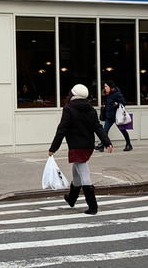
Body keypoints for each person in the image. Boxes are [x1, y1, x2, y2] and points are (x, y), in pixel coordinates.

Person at [49, 84, 113, 215]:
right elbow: (98, 128)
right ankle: (71, 198)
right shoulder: (90, 109)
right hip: (87, 146)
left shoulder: (69, 109)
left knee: (84, 174)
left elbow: (62, 129)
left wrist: (53, 148)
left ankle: (92, 206)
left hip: (76, 146)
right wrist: (107, 143)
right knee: (76, 173)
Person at [100, 80, 133, 151]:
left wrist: (117, 104)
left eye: (106, 86)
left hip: (117, 116)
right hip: (109, 116)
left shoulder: (117, 94)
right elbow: (107, 102)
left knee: (123, 130)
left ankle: (128, 144)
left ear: (110, 87)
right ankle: (102, 145)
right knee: (105, 131)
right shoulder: (108, 94)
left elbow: (123, 102)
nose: (105, 88)